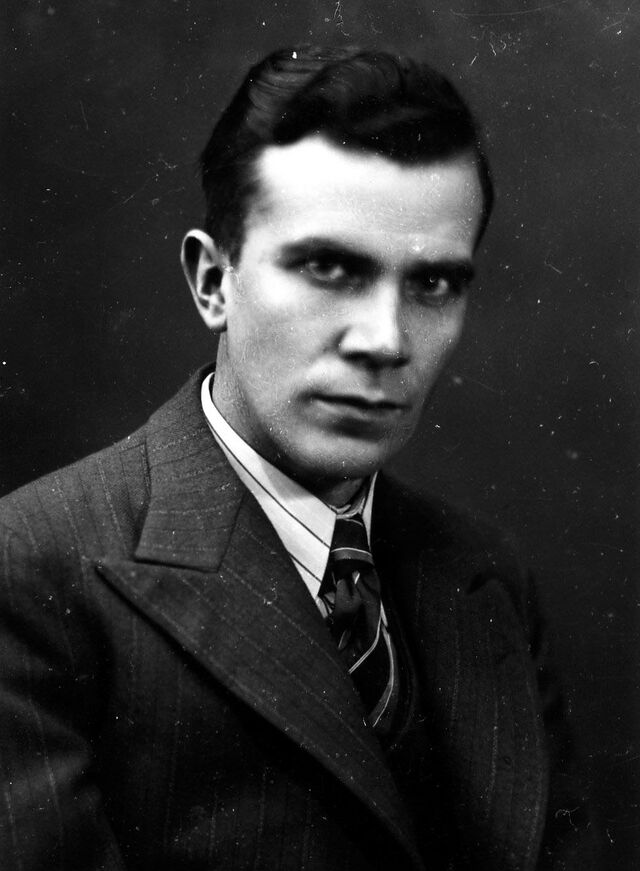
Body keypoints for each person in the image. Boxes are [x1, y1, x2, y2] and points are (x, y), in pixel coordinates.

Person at [0, 45, 589, 870]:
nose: (385, 340)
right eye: (328, 267)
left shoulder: (484, 573)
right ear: (213, 281)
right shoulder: (32, 570)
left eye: (432, 285)